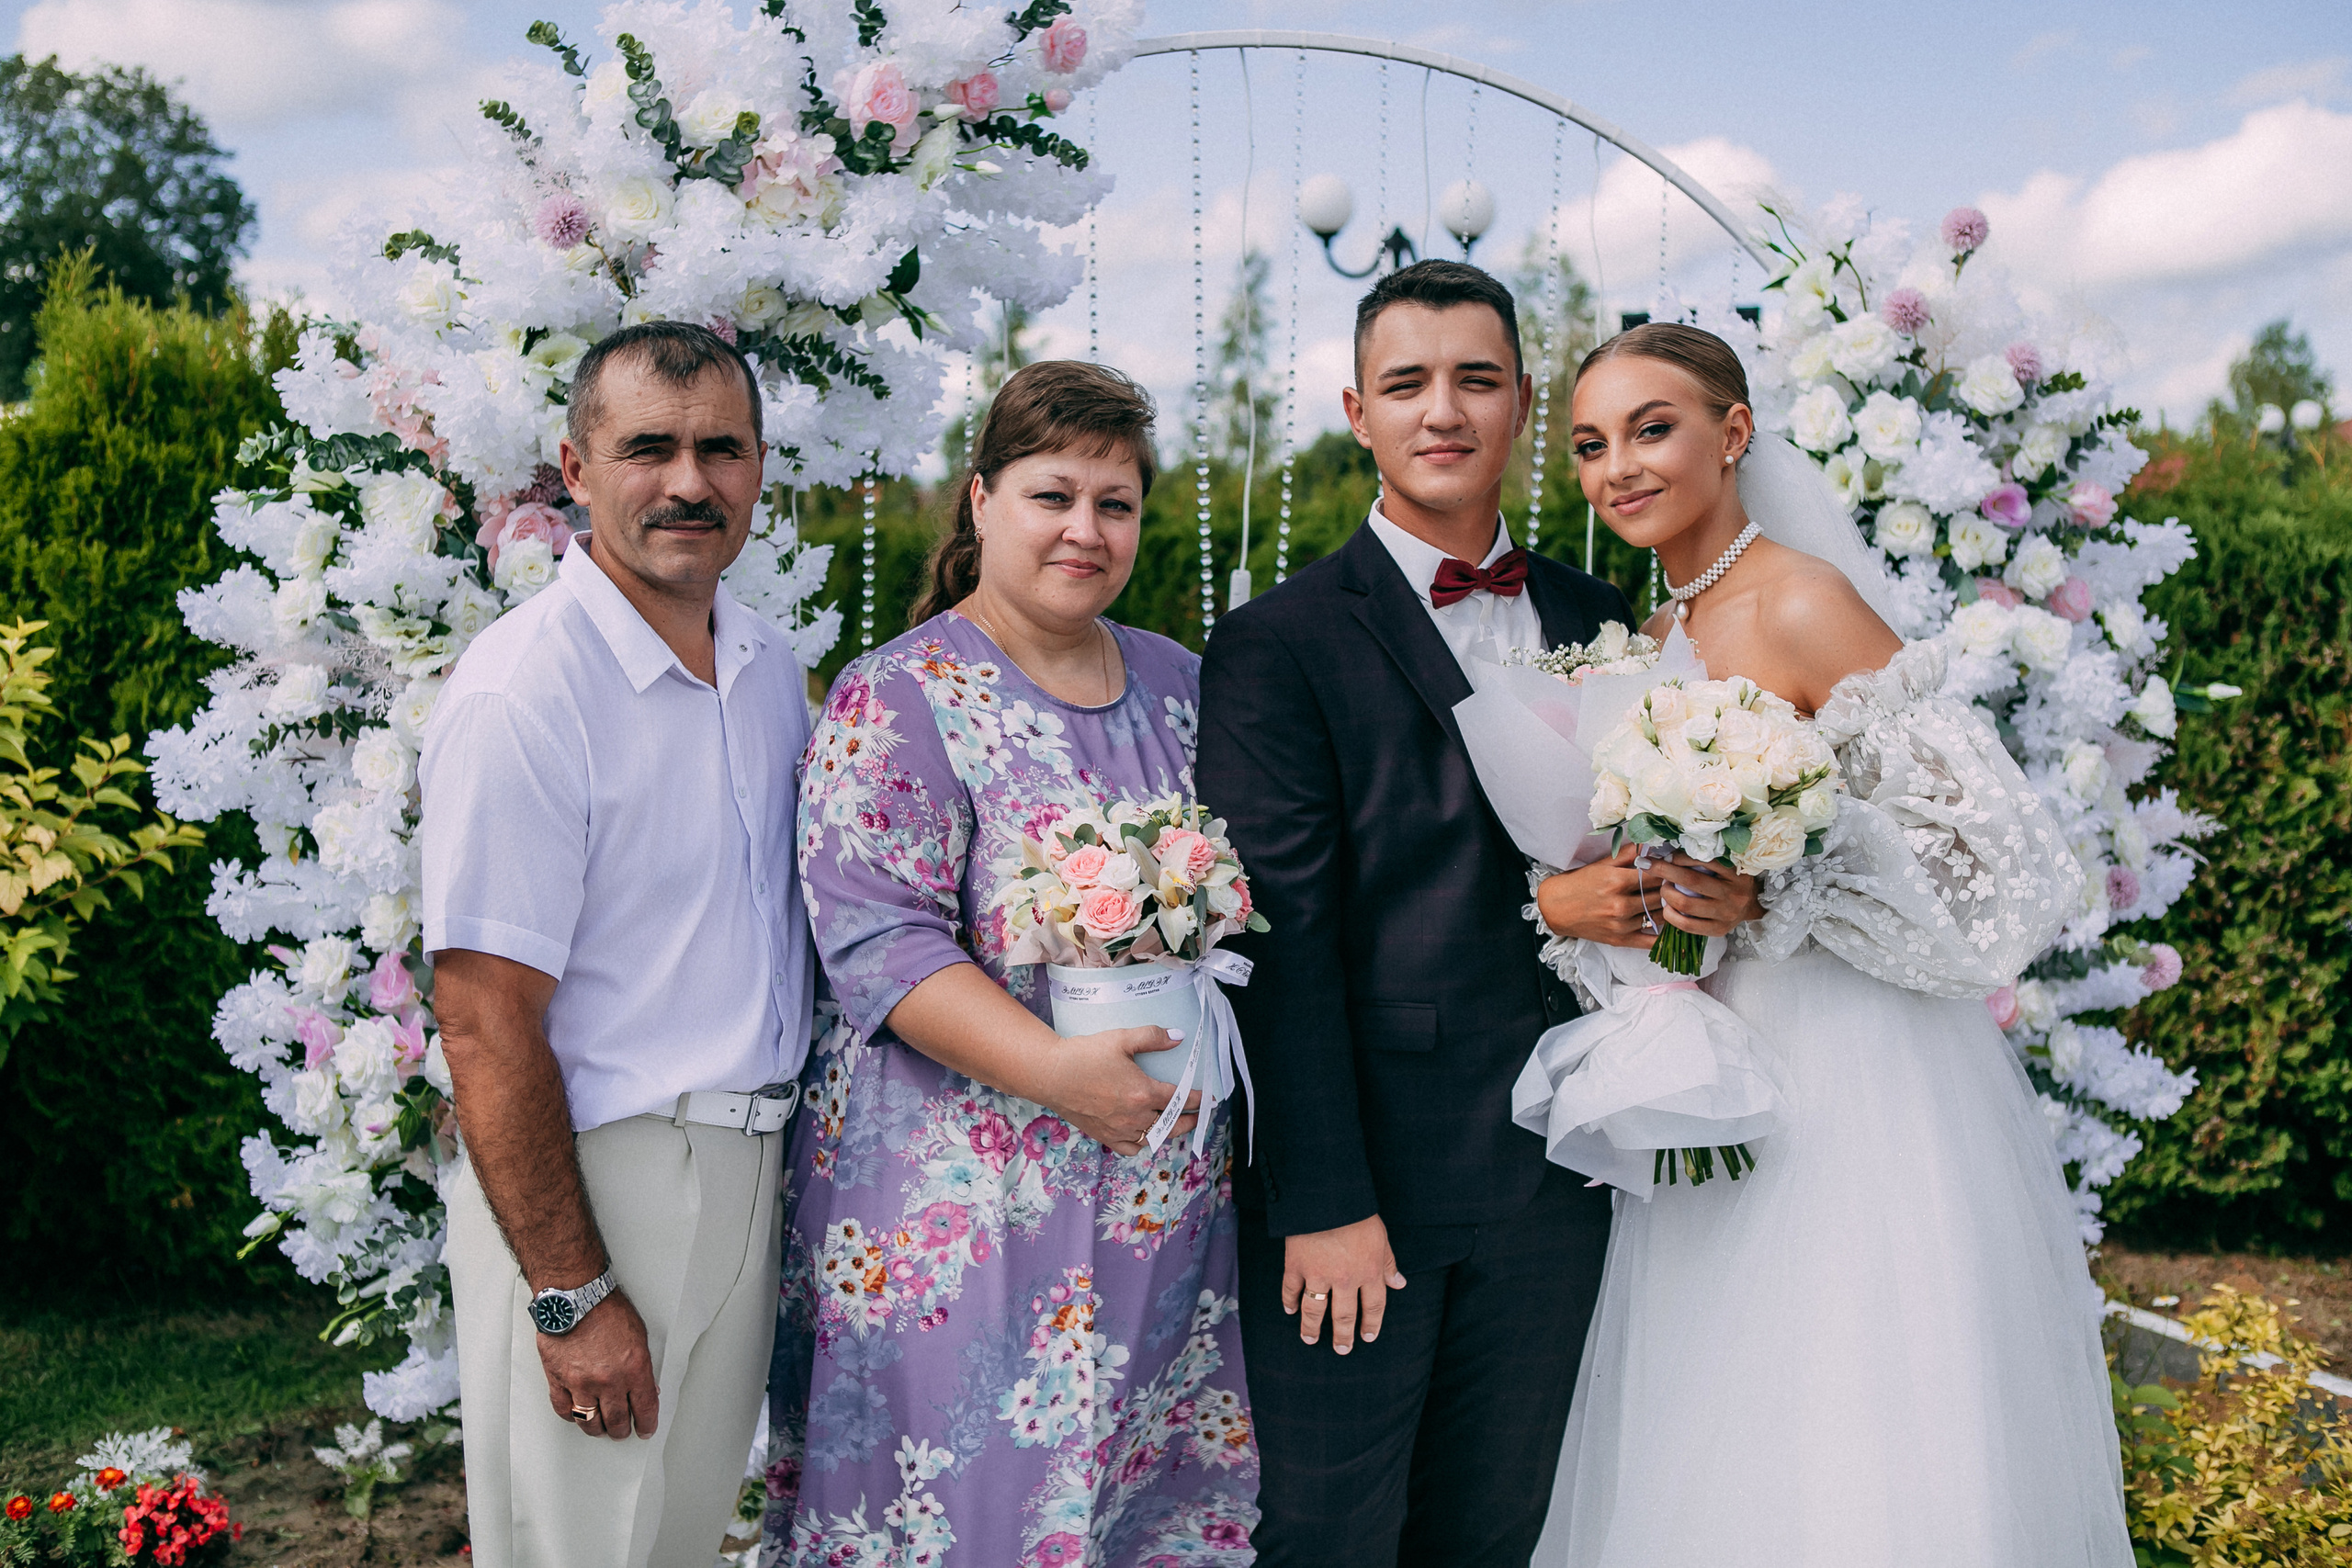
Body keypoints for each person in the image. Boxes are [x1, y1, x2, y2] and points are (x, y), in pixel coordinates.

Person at [1532, 322, 2131, 1565]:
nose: (1617, 468)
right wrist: (1623, 909)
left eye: (1653, 429)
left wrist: (1779, 892)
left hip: (1849, 1081)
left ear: (1734, 433)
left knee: (1850, 1411)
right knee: (1717, 1416)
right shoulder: (1646, 639)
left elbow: (1996, 866)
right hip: (1709, 1081)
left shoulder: (1803, 600)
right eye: (1592, 445)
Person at [1196, 262, 1747, 1565]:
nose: (1443, 410)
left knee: (1499, 1535)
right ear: (1357, 410)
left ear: (1521, 406)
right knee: (1330, 1536)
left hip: (1567, 1178)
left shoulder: (1604, 614)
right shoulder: (1276, 644)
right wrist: (1318, 1200)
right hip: (1368, 1194)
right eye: (1408, 383)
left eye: (1477, 380)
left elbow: (1649, 881)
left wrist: (1702, 900)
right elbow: (1278, 942)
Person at [768, 360, 1258, 1562]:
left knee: (1137, 1506)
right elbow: (879, 944)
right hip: (963, 1207)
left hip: (1158, 1192)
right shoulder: (900, 698)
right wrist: (1056, 1073)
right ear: (980, 499)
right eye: (1054, 496)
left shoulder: (1186, 689)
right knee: (965, 1510)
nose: (1086, 530)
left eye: (1117, 503)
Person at [422, 321, 815, 1568]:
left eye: (721, 449)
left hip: (752, 1172)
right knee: (573, 1551)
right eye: (649, 448)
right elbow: (485, 1018)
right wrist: (572, 1293)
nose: (689, 482)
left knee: (684, 1545)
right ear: (575, 469)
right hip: (601, 1180)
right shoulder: (523, 690)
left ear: (758, 468)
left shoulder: (768, 671)